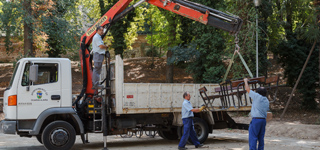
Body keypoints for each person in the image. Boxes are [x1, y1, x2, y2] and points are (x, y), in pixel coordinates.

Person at [244, 78, 269, 150]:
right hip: (263, 120)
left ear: (258, 93)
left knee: (253, 137)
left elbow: (247, 89)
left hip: (256, 120)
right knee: (261, 138)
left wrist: (245, 81)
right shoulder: (266, 100)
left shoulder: (257, 97)